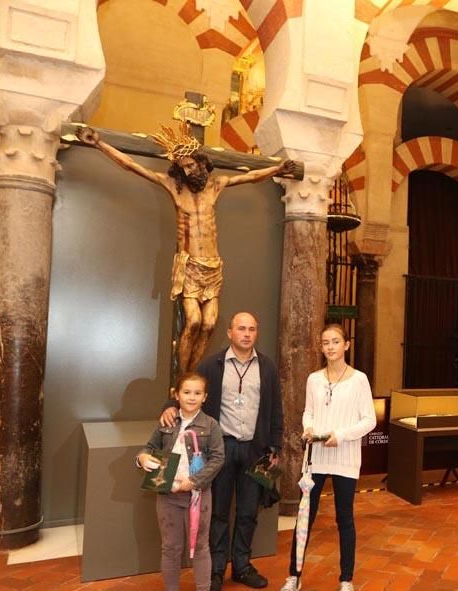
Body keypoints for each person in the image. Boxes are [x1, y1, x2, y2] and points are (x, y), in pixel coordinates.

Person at [77, 124, 301, 374]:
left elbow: (250, 177)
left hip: (213, 266)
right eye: (183, 167)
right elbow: (132, 166)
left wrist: (278, 169)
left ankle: (193, 372)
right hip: (190, 265)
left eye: (191, 165)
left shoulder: (216, 186)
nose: (188, 170)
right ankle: (185, 376)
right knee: (193, 322)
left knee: (209, 323)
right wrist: (99, 143)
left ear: (202, 163)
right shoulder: (173, 186)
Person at [162, 312, 284, 591]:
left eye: (252, 329)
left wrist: (275, 445)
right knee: (217, 512)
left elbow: (276, 409)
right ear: (229, 332)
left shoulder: (267, 368)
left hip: (256, 450)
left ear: (257, 333)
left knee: (248, 511)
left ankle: (241, 565)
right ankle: (217, 569)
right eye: (241, 328)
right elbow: (187, 388)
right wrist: (168, 406)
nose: (246, 333)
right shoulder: (212, 365)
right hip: (220, 449)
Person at [280, 324, 376, 591]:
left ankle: (346, 579)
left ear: (346, 345)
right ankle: (294, 576)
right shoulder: (314, 379)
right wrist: (308, 427)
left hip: (345, 458)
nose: (330, 347)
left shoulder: (359, 379)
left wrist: (341, 435)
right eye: (325, 342)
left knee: (344, 518)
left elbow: (369, 420)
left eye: (335, 341)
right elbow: (308, 411)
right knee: (304, 517)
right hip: (315, 458)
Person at [138, 372, 225, 591]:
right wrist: (142, 458)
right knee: (170, 548)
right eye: (186, 392)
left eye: (197, 393)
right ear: (177, 395)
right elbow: (149, 448)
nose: (192, 397)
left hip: (198, 497)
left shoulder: (211, 425)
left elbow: (217, 458)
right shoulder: (166, 422)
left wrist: (194, 482)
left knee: (201, 547)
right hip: (168, 497)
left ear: (205, 397)